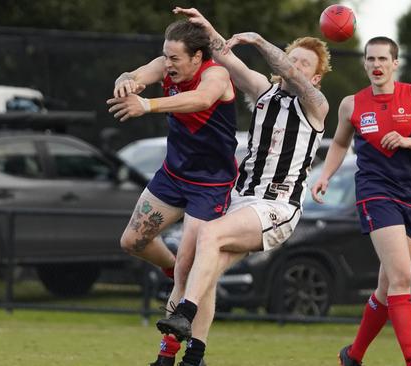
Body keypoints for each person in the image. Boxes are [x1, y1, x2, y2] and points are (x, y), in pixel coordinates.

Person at [155, 7, 332, 366]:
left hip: (276, 207)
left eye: (303, 66)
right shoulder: (264, 93)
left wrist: (261, 41)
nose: (294, 67)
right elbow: (224, 55)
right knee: (195, 269)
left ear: (315, 80)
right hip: (241, 199)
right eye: (292, 58)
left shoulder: (315, 106)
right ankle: (186, 356)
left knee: (209, 237)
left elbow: (287, 72)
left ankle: (183, 316)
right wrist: (205, 27)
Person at [106, 18, 238, 366]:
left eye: (175, 58)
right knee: (132, 241)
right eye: (166, 56)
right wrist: (126, 83)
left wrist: (147, 105)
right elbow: (134, 75)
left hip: (210, 185)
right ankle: (179, 271)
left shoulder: (216, 75)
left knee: (189, 269)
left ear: (197, 57)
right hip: (173, 175)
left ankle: (182, 356)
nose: (168, 64)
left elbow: (201, 99)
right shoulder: (166, 67)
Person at [310, 37, 411, 366]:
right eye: (370, 59)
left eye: (383, 59)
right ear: (364, 63)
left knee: (388, 287)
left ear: (395, 63)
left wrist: (407, 141)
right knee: (402, 277)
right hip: (375, 192)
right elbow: (340, 144)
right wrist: (325, 175)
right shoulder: (351, 104)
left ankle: (353, 355)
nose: (376, 65)